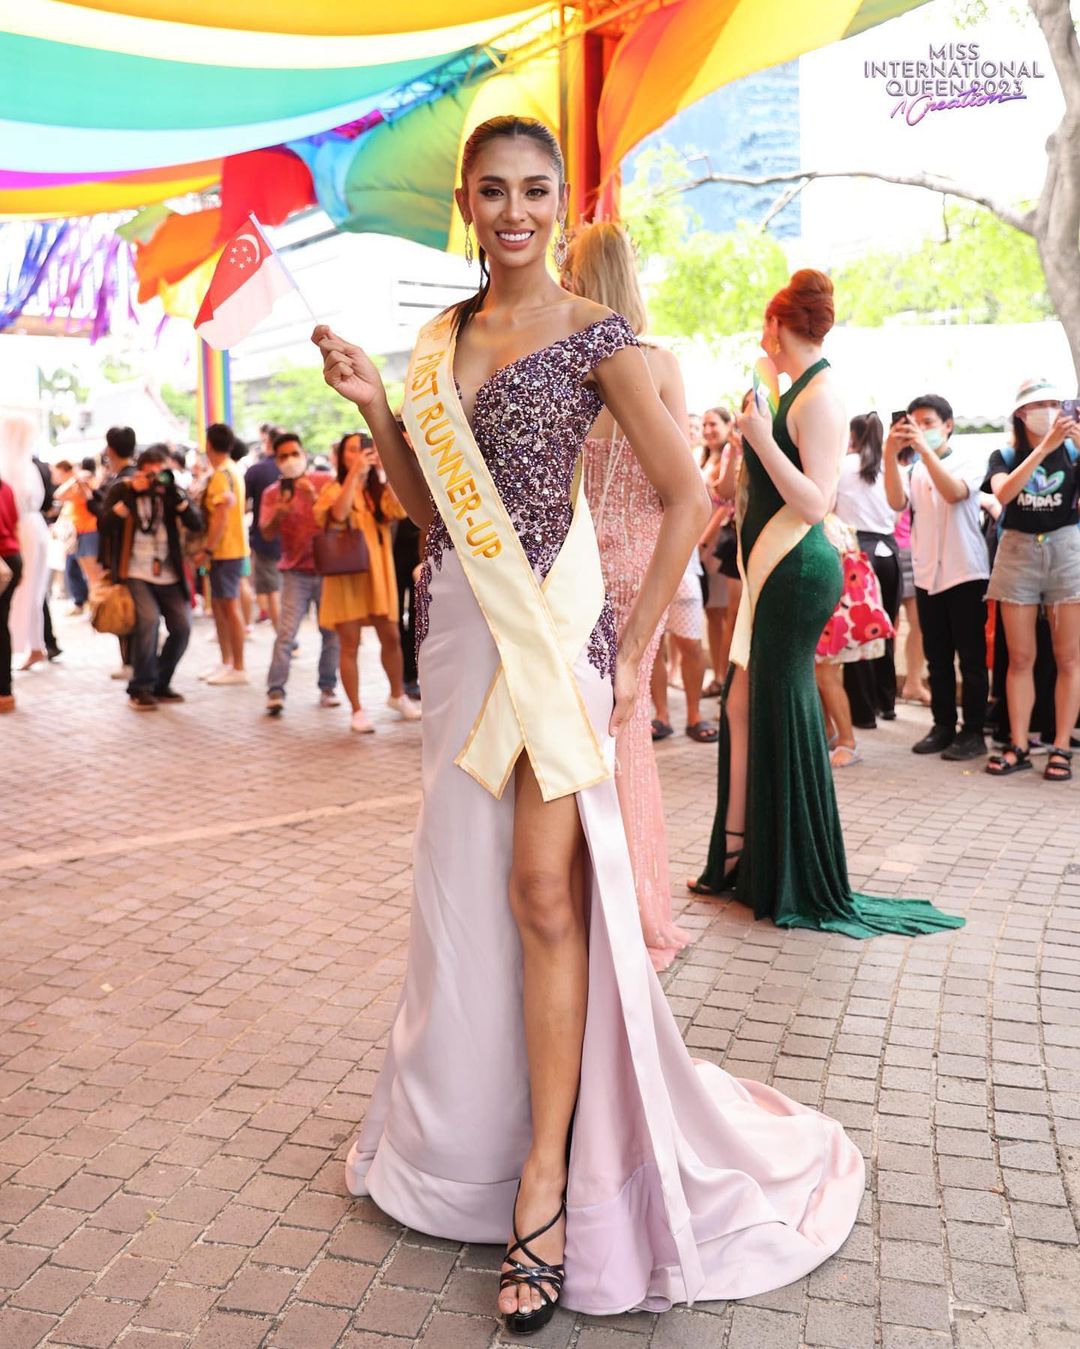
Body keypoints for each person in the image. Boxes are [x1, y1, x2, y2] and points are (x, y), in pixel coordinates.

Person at [316, 116, 866, 1331]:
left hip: (554, 635)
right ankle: (474, 1129)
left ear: (559, 203)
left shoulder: (591, 331)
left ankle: (549, 1183)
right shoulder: (438, 340)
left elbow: (683, 493)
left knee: (545, 893)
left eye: (536, 190)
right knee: (473, 888)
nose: (514, 210)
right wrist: (375, 410)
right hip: (463, 627)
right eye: (494, 190)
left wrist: (628, 651)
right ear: (465, 201)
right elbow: (433, 513)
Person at [690, 269, 964, 942]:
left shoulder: (821, 395)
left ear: (780, 323)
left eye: (765, 326)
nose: (761, 336)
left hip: (795, 566)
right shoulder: (797, 389)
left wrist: (755, 435)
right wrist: (758, 413)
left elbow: (815, 500)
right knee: (739, 702)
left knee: (776, 706)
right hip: (773, 568)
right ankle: (738, 852)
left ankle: (784, 866)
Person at [564, 219, 691, 972]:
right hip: (640, 564)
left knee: (582, 728)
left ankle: (595, 893)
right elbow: (682, 486)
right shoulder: (660, 366)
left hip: (579, 565)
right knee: (628, 732)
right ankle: (634, 898)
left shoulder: (565, 367)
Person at [984, 376, 1080, 782]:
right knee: (1020, 657)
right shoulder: (1003, 454)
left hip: (1066, 550)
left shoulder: (1074, 453)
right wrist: (1044, 448)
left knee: (1069, 658)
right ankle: (1018, 744)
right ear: (1021, 413)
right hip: (1018, 551)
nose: (1049, 411)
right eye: (1039, 405)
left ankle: (1060, 746)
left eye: (1055, 403)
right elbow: (1003, 495)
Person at [884, 395, 990, 760]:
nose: (920, 429)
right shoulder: (912, 468)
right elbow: (896, 503)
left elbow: (955, 492)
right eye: (913, 422)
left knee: (971, 658)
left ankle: (973, 731)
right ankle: (942, 725)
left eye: (927, 422)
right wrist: (890, 451)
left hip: (966, 572)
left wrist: (923, 453)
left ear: (948, 425)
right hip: (929, 574)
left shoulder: (970, 459)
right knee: (937, 656)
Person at [313, 433, 421, 733]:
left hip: (378, 575)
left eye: (364, 450)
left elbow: (400, 510)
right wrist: (355, 476)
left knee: (392, 636)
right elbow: (337, 514)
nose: (359, 455)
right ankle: (357, 709)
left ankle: (397, 694)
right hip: (346, 578)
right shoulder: (333, 488)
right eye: (352, 450)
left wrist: (388, 469)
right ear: (341, 456)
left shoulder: (379, 489)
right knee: (349, 643)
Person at [103, 446, 203, 709]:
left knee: (182, 627)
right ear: (140, 471)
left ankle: (160, 682)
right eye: (151, 474)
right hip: (135, 571)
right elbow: (105, 524)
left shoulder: (172, 493)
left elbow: (196, 523)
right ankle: (141, 686)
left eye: (161, 473)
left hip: (170, 572)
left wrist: (177, 498)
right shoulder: (123, 490)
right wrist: (132, 496)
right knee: (148, 622)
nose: (156, 479)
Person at [260, 434, 341, 715]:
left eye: (293, 453)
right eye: (282, 457)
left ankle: (328, 687)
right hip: (295, 572)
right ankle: (275, 690)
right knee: (286, 633)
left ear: (303, 453)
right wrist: (280, 514)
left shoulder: (325, 481)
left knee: (331, 633)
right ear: (276, 461)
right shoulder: (272, 493)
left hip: (327, 568)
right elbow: (266, 532)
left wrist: (314, 497)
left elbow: (338, 519)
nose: (290, 460)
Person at [835, 413, 901, 729]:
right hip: (890, 555)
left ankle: (863, 712)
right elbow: (901, 508)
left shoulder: (843, 466)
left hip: (856, 554)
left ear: (853, 436)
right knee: (886, 627)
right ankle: (887, 703)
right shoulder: (895, 468)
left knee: (857, 631)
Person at [815, 515, 894, 768]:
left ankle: (847, 741)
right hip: (824, 610)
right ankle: (827, 734)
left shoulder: (827, 524)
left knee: (824, 675)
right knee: (816, 675)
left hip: (833, 611)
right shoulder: (824, 520)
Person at [193, 422, 250, 685]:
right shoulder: (231, 471)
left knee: (228, 606)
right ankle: (227, 662)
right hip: (228, 550)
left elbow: (220, 517)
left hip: (225, 550)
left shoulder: (221, 475)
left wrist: (207, 549)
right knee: (220, 606)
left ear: (209, 445)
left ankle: (237, 665)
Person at [0, 415, 48, 670]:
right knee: (33, 590)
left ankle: (32, 645)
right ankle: (35, 644)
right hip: (34, 528)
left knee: (28, 590)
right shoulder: (26, 466)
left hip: (23, 530)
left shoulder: (14, 467)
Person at [94, 425, 139, 681]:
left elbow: (105, 524)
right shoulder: (138, 478)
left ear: (110, 450)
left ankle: (130, 661)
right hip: (139, 556)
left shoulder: (120, 483)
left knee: (125, 608)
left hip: (123, 556)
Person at [698, 407, 735, 697]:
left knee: (723, 613)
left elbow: (725, 503)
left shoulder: (729, 458)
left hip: (717, 542)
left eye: (714, 424)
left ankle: (723, 677)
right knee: (712, 613)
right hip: (700, 542)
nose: (708, 430)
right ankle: (718, 674)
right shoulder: (704, 458)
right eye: (705, 425)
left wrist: (705, 542)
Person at [244, 429, 283, 631]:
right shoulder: (294, 470)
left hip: (264, 538)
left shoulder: (256, 471)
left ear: (267, 443)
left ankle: (285, 639)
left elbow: (243, 504)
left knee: (272, 589)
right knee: (282, 589)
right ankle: (287, 639)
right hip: (291, 540)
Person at [0, 466, 22, 713]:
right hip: (13, 558)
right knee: (2, 626)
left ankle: (4, 689)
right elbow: (14, 524)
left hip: (3, 560)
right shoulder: (5, 486)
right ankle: (5, 689)